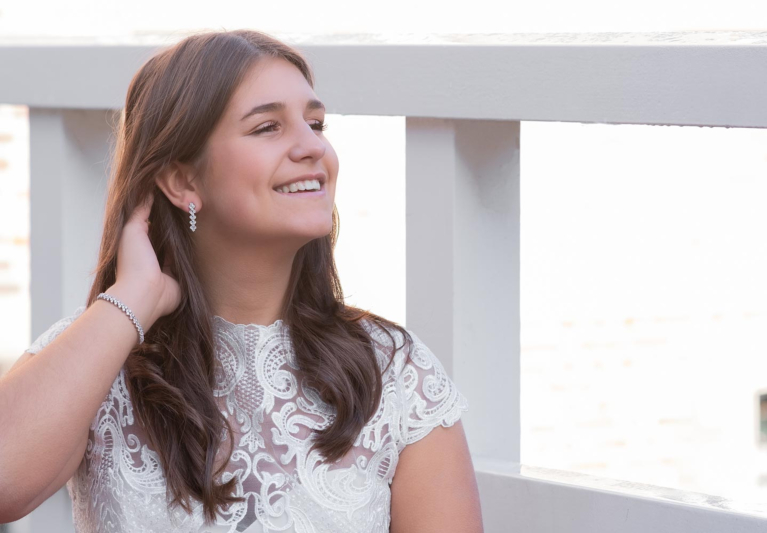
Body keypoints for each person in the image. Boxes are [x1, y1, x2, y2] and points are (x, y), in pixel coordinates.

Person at [0, 29, 483, 532]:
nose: (312, 146)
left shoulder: (398, 376)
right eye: (268, 127)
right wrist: (134, 297)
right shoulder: (101, 356)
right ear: (182, 180)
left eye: (316, 123)